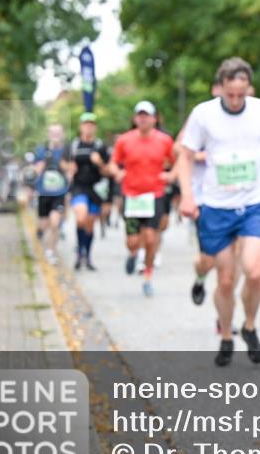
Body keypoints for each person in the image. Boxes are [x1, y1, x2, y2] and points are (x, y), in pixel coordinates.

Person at [178, 58, 260, 367]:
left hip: (254, 203)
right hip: (216, 207)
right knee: (226, 280)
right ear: (221, 88)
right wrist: (187, 196)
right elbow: (185, 156)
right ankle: (226, 335)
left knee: (254, 271)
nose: (236, 101)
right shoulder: (203, 114)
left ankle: (249, 326)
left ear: (249, 88)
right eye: (230, 95)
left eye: (242, 94)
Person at [109, 101, 175, 296]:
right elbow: (113, 163)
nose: (143, 119)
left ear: (154, 119)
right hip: (132, 196)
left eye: (147, 116)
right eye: (140, 115)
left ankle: (147, 275)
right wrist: (117, 173)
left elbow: (177, 162)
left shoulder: (164, 140)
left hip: (154, 195)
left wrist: (170, 175)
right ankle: (133, 253)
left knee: (151, 238)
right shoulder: (124, 140)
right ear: (135, 119)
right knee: (133, 241)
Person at [174, 76, 224, 305]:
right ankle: (201, 278)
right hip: (205, 198)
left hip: (237, 198)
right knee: (208, 258)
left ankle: (225, 305)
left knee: (232, 258)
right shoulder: (202, 116)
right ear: (215, 89)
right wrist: (203, 155)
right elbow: (179, 148)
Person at [64, 112, 110, 270]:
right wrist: (69, 167)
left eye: (91, 124)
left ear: (95, 127)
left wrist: (100, 163)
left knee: (89, 225)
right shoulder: (73, 145)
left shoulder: (100, 146)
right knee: (81, 218)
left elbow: (108, 171)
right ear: (80, 127)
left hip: (95, 189)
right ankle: (79, 251)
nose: (88, 127)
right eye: (85, 124)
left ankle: (87, 255)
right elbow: (63, 163)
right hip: (78, 187)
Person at [34, 124, 69, 265]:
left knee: (55, 223)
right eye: (53, 133)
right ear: (48, 134)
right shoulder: (41, 150)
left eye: (58, 132)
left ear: (62, 134)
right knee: (43, 224)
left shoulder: (66, 151)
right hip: (44, 192)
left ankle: (51, 251)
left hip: (59, 193)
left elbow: (71, 169)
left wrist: (64, 166)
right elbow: (36, 170)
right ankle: (39, 232)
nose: (55, 135)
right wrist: (42, 164)